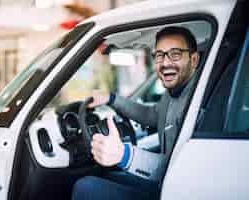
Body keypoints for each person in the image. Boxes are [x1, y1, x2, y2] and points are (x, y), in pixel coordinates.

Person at [72, 26, 200, 200]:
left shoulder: (199, 102)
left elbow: (177, 169)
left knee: (85, 187)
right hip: (164, 184)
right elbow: (151, 115)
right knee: (102, 177)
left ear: (194, 59)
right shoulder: (173, 94)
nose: (165, 63)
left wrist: (124, 154)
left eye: (175, 54)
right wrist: (111, 99)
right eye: (160, 55)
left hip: (179, 190)